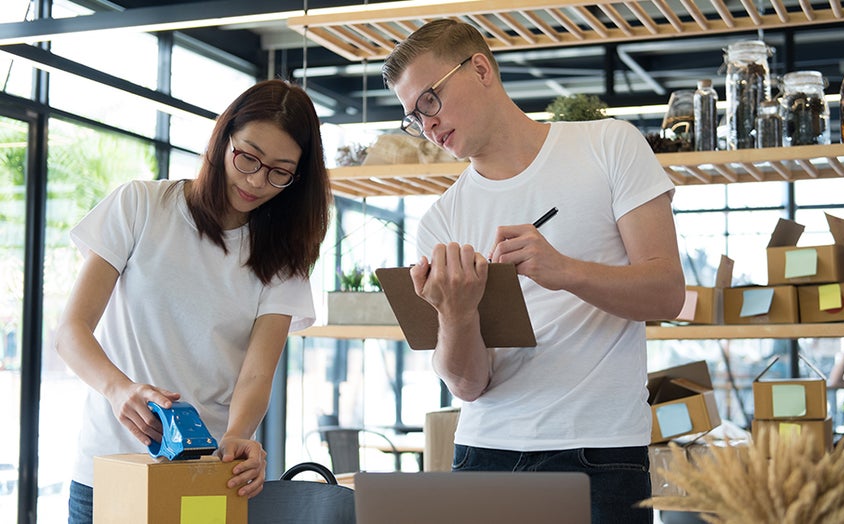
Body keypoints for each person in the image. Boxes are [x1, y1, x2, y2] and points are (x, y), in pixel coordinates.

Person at [382, 19, 685, 523]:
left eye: (430, 101)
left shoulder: (610, 145)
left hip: (602, 455)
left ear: (479, 69)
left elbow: (667, 292)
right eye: (413, 117)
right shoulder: (441, 221)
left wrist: (563, 270)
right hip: (483, 454)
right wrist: (456, 315)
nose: (427, 125)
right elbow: (468, 385)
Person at [55, 79, 331, 524]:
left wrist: (241, 434)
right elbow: (71, 332)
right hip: (106, 471)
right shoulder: (140, 206)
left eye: (279, 172)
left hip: (203, 478)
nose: (257, 181)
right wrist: (118, 389)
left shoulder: (283, 256)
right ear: (222, 139)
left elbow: (257, 374)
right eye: (248, 157)